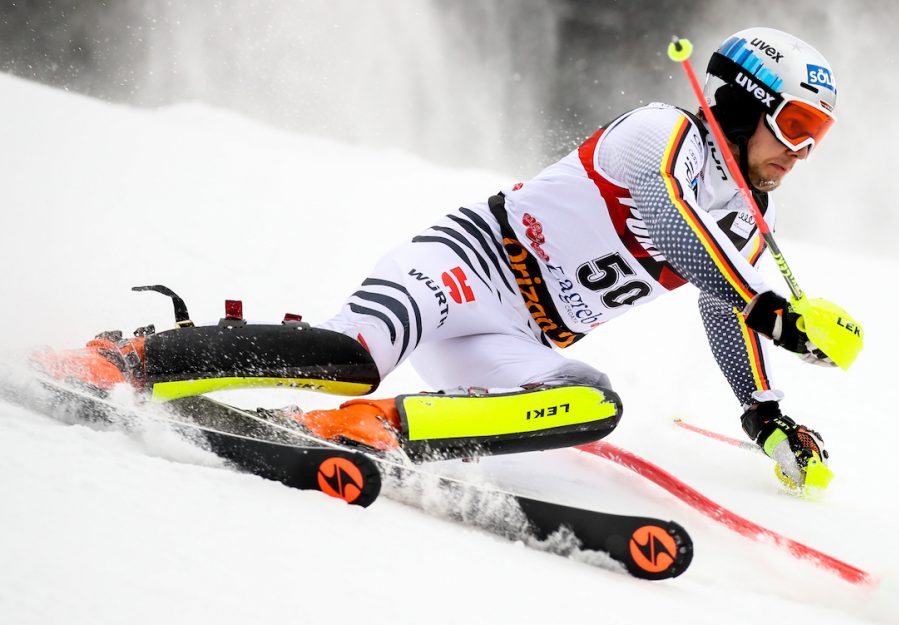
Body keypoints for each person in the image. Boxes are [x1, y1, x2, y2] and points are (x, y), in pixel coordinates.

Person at [34, 27, 841, 488]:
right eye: (798, 125)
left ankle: (362, 429)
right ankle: (129, 357)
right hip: (467, 266)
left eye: (820, 137)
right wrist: (769, 305)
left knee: (592, 405)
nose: (803, 152)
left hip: (520, 334)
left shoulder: (746, 218)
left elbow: (718, 301)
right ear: (744, 102)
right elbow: (667, 218)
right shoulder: (659, 131)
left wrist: (763, 411)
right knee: (352, 355)